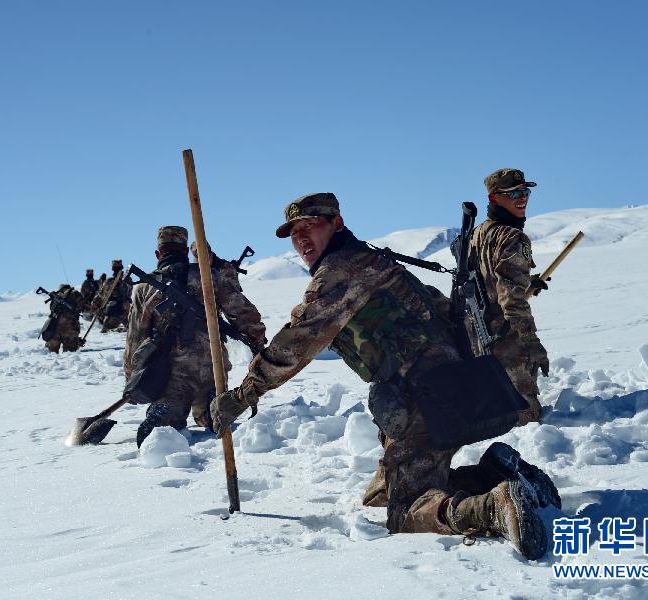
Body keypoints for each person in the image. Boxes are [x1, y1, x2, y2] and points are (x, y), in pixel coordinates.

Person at [209, 193, 557, 560]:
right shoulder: (373, 261)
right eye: (294, 232)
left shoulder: (341, 272)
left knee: (403, 512)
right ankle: (497, 474)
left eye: (311, 225)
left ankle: (493, 506)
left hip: (425, 399)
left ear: (337, 224)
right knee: (386, 490)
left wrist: (243, 394)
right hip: (448, 389)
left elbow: (296, 342)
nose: (301, 238)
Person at [124, 226, 266, 441]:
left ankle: (166, 412)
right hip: (213, 365)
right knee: (214, 412)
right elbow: (242, 311)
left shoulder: (144, 288)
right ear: (185, 251)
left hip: (169, 373)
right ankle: (211, 406)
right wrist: (257, 341)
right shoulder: (209, 277)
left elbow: (135, 338)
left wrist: (133, 379)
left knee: (168, 423)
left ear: (157, 254)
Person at [469, 168, 549, 425]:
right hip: (505, 337)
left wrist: (527, 284)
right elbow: (510, 299)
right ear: (494, 199)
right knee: (524, 417)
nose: (522, 197)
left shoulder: (478, 233)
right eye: (513, 193)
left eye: (525, 192)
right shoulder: (513, 237)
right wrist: (530, 340)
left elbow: (489, 281)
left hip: (477, 337)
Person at [189, 241, 266, 427]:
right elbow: (237, 307)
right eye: (198, 257)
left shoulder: (218, 271)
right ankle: (207, 413)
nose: (203, 259)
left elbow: (234, 302)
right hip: (204, 338)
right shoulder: (197, 274)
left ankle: (204, 412)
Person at [44, 284, 85, 353]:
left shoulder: (56, 295)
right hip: (70, 329)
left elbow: (51, 309)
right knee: (70, 354)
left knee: (52, 354)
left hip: (54, 328)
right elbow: (83, 306)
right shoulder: (75, 293)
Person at [101, 260, 132, 333]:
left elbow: (103, 294)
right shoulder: (127, 279)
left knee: (106, 328)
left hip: (119, 306)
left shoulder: (125, 279)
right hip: (118, 307)